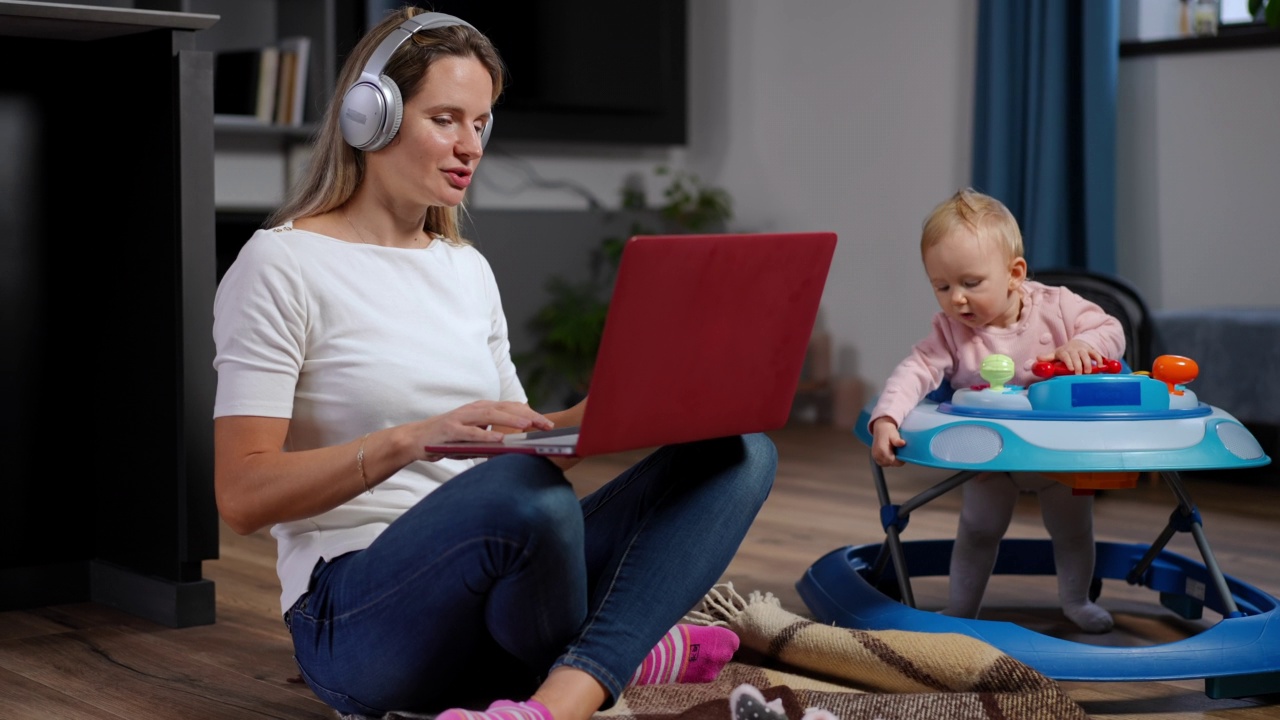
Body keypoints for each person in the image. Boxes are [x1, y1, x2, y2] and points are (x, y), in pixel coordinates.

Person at [210, 8, 777, 720]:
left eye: (480, 124)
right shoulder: (281, 264)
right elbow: (240, 495)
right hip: (358, 616)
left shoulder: (466, 268)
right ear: (370, 116)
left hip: (498, 594)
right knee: (526, 497)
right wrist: (408, 440)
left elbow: (526, 442)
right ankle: (615, 657)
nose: (470, 145)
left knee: (738, 452)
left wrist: (643, 400)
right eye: (446, 118)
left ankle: (549, 701)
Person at [867, 188, 1124, 634]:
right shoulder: (950, 331)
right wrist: (887, 417)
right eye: (941, 286)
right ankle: (961, 610)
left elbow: (1110, 328)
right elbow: (917, 369)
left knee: (1073, 530)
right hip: (990, 457)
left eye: (970, 283)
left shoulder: (1057, 306)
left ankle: (1077, 600)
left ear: (1014, 274)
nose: (956, 300)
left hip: (1058, 453)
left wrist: (1086, 343)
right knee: (978, 530)